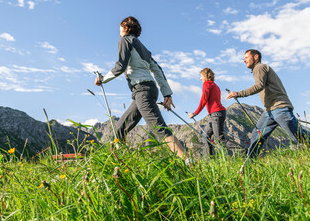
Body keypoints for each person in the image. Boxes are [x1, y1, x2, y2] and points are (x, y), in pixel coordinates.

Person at [227, 49, 310, 163]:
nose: (244, 60)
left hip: (280, 109)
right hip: (270, 111)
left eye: (246, 57)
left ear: (256, 57)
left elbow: (259, 85)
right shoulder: (259, 69)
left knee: (301, 136)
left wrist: (238, 94)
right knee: (256, 135)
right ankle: (248, 166)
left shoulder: (259, 67)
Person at [95, 16, 187, 160]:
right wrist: (167, 94)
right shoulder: (144, 49)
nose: (118, 30)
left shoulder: (124, 40)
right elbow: (157, 70)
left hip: (142, 90)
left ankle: (189, 162)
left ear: (126, 28)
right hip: (147, 90)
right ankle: (124, 163)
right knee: (119, 130)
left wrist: (102, 79)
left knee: (159, 129)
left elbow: (120, 66)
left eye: (120, 27)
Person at [188, 68, 227, 157]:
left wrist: (195, 113)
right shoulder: (215, 86)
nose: (200, 78)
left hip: (216, 114)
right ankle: (209, 160)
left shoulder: (207, 84)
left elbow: (203, 99)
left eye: (201, 76)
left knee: (220, 139)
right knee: (206, 136)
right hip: (217, 113)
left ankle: (242, 152)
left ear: (205, 76)